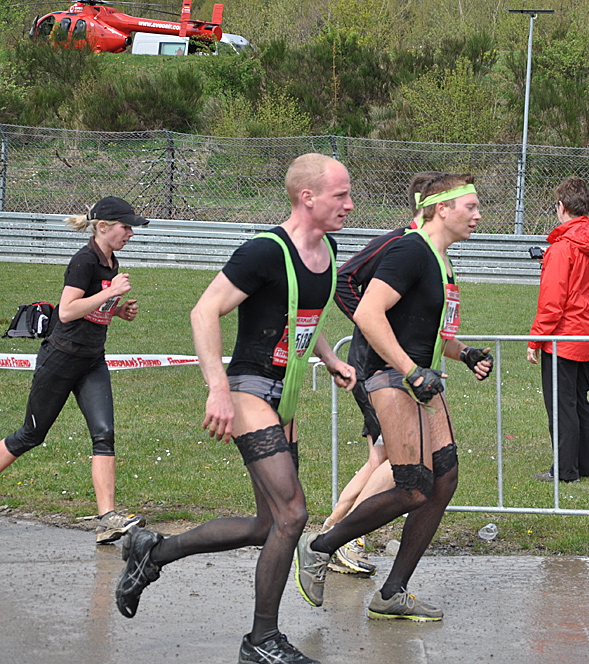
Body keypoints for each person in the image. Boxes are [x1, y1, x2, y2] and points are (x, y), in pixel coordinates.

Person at [114, 154, 357, 664]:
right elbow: (203, 310)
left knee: (266, 525)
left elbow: (301, 319)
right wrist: (217, 389)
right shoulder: (263, 252)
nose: (350, 204)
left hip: (283, 396)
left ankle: (152, 551)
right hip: (247, 388)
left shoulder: (328, 250)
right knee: (293, 515)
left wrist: (331, 357)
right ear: (307, 197)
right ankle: (261, 641)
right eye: (341, 195)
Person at [294, 173, 494, 621]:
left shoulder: (440, 260)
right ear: (442, 208)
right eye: (471, 207)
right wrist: (409, 370)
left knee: (444, 480)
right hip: (391, 378)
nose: (479, 215)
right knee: (412, 489)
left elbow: (428, 329)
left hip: (421, 381)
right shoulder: (410, 249)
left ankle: (392, 592)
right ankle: (319, 546)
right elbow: (367, 311)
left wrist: (465, 354)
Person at [0, 196, 147, 544]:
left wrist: (117, 311)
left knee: (104, 434)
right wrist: (107, 297)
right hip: (60, 360)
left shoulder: (110, 260)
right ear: (103, 227)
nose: (130, 233)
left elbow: (93, 309)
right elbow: (66, 312)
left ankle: (107, 519)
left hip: (92, 360)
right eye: (126, 227)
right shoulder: (83, 261)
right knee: (30, 436)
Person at [320, 170, 444, 576]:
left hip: (398, 374)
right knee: (395, 461)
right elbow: (344, 280)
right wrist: (376, 326)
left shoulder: (430, 250)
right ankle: (338, 540)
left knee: (383, 457)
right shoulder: (401, 243)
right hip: (377, 371)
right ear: (430, 205)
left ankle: (333, 534)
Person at [527, 176, 589, 483]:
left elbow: (553, 301)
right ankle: (588, 465)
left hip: (564, 335)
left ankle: (565, 470)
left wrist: (535, 340)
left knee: (563, 405)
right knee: (580, 400)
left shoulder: (562, 248)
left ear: (561, 207)